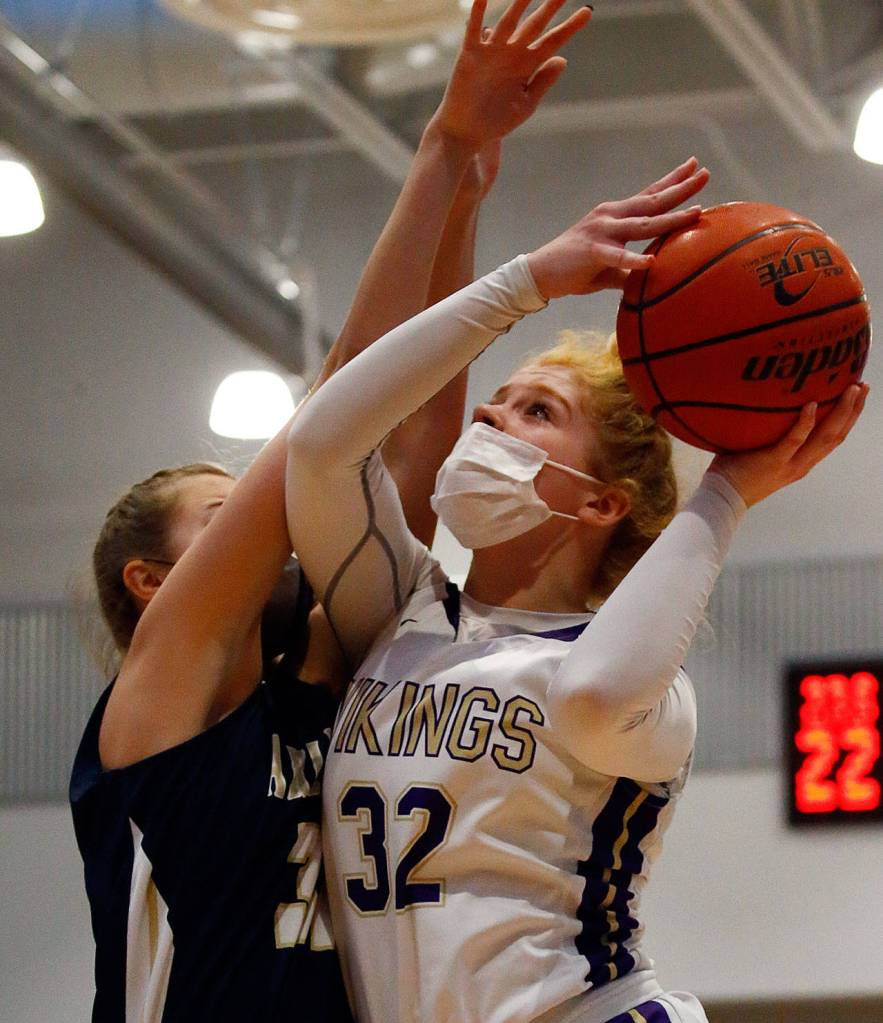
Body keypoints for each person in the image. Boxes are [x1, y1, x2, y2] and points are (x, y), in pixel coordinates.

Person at [68, 2, 593, 1020]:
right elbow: (346, 401)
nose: (262, 533)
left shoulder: (311, 679)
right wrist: (438, 146)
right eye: (222, 520)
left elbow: (412, 449)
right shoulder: (161, 695)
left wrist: (467, 198)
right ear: (152, 579)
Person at [284, 146, 869, 1022]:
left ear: (602, 501)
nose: (486, 415)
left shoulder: (639, 684)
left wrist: (728, 489)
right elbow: (318, 445)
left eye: (536, 411)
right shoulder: (401, 610)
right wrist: (525, 282)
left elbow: (591, 695)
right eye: (498, 400)